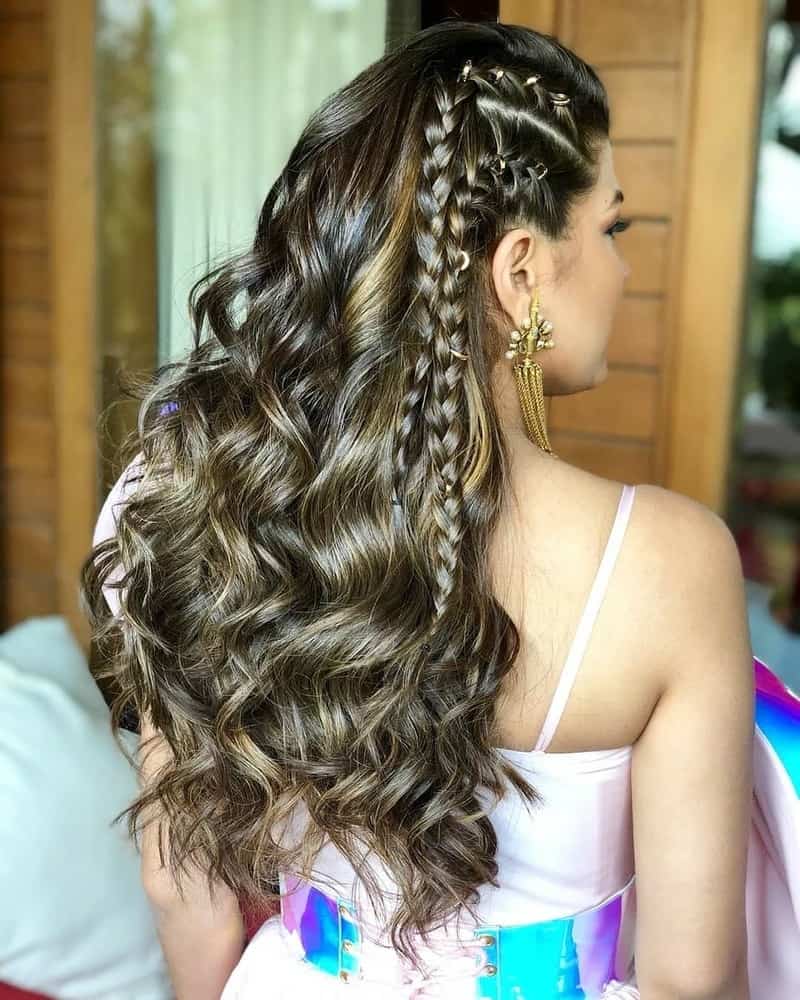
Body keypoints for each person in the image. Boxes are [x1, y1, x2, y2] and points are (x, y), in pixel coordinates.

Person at [82, 20, 800, 1000]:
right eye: (611, 229)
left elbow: (180, 883)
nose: (623, 269)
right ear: (519, 271)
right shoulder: (667, 563)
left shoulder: (203, 498)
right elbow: (694, 978)